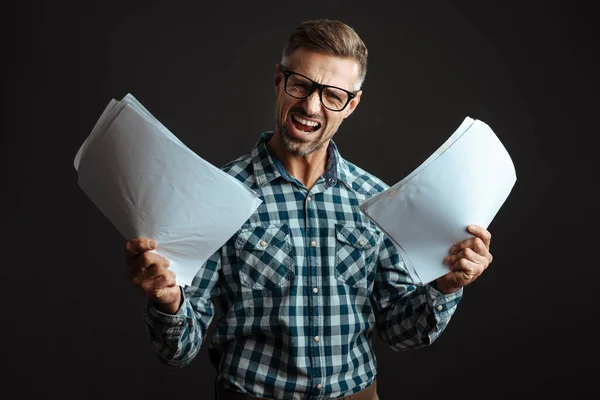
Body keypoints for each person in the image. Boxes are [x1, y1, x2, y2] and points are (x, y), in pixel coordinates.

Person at [125, 19, 493, 400]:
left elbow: (402, 332)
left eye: (332, 95)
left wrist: (446, 287)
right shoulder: (217, 195)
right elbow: (178, 349)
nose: (310, 106)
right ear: (278, 81)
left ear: (351, 104)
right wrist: (168, 303)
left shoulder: (376, 200)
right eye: (300, 84)